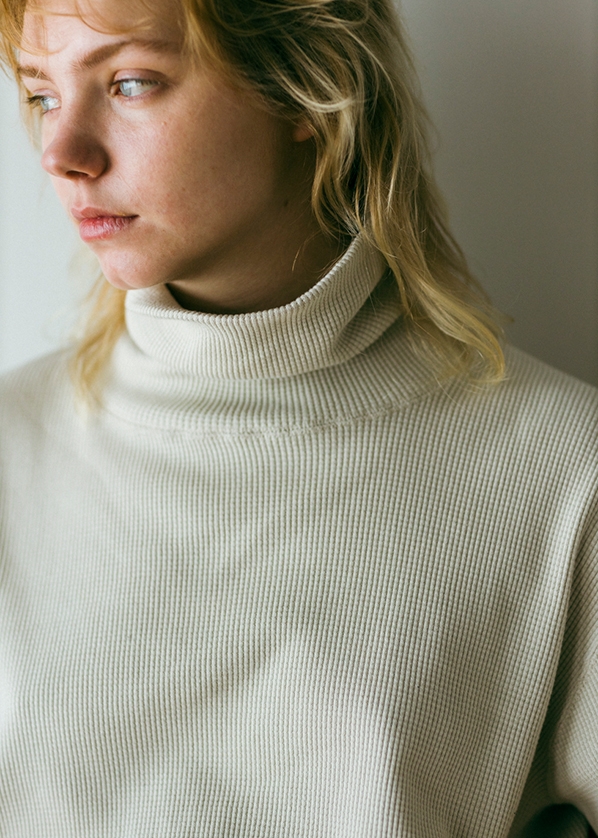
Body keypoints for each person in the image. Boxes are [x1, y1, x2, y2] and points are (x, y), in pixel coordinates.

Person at [0, 0, 596, 835]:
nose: (61, 154)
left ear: (306, 86)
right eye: (42, 95)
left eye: (130, 83)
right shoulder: (11, 447)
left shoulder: (564, 472)